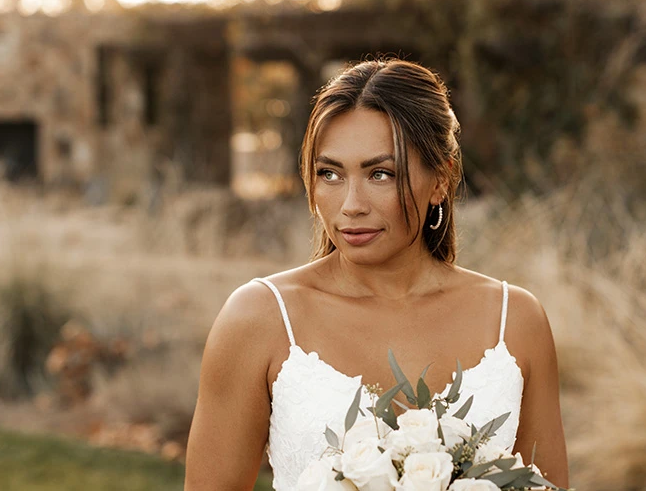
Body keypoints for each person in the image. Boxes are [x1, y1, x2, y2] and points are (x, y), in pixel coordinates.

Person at [184, 58, 568, 491]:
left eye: (380, 174)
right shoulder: (258, 318)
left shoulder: (515, 321)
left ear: (440, 180)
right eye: (329, 173)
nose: (351, 204)